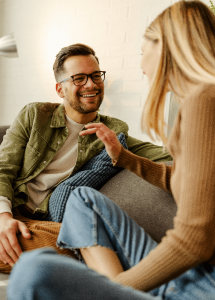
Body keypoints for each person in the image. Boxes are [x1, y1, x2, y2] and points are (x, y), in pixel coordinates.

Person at [7, 0, 215, 299]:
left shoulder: (207, 102)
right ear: (61, 88)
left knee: (33, 270)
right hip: (18, 212)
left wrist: (111, 291)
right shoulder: (199, 104)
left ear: (168, 47)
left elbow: (193, 242)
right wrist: (124, 158)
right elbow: (181, 179)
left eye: (144, 51)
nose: (141, 63)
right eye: (79, 78)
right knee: (80, 199)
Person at [0, 43, 171, 270]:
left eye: (95, 75)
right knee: (84, 244)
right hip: (12, 212)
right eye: (78, 78)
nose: (91, 84)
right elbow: (4, 167)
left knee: (78, 238)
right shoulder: (34, 115)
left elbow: (163, 154)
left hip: (48, 225)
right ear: (60, 89)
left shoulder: (112, 132)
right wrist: (3, 217)